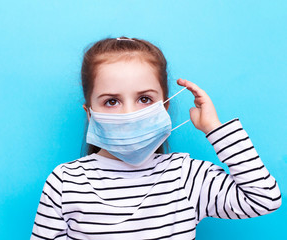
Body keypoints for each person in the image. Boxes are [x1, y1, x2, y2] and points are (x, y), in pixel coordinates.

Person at [30, 36, 282, 239]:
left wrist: (215, 129)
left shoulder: (186, 177)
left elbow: (263, 198)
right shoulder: (65, 182)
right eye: (112, 101)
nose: (129, 114)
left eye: (144, 99)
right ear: (90, 113)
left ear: (165, 107)